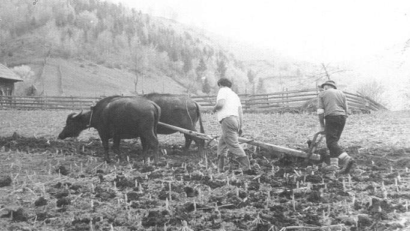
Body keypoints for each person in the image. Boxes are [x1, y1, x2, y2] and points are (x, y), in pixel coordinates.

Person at [317, 80, 355, 174]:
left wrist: (322, 125)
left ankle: (346, 159)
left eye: (324, 87)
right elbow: (347, 110)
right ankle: (334, 165)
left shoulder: (322, 94)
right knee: (334, 141)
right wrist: (342, 117)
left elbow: (320, 112)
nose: (323, 88)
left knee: (330, 142)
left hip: (331, 117)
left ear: (326, 86)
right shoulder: (341, 93)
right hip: (342, 117)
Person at [213, 78, 251, 172]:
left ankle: (246, 167)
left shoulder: (222, 90)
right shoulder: (234, 95)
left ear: (220, 85)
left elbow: (220, 104)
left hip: (227, 120)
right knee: (222, 143)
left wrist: (214, 109)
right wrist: (240, 126)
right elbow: (240, 112)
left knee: (233, 144)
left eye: (219, 86)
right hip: (236, 120)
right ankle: (220, 168)